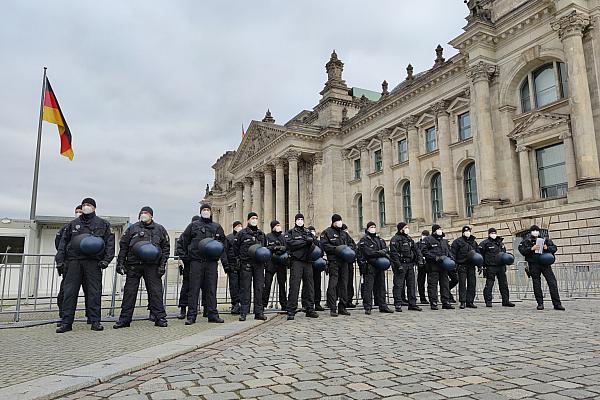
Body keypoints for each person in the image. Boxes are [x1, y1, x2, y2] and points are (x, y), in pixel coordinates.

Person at [55, 198, 115, 333]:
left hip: (93, 263)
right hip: (74, 262)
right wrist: (60, 261)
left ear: (94, 207)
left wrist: (106, 260)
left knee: (94, 293)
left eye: (89, 205)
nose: (86, 207)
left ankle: (95, 321)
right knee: (69, 293)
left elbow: (110, 244)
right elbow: (63, 244)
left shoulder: (103, 224)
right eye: (84, 205)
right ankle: (66, 322)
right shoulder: (73, 224)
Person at [113, 207, 169, 328]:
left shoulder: (160, 229)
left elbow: (165, 248)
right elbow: (124, 246)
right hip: (134, 265)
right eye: (142, 213)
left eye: (146, 213)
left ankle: (160, 318)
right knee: (129, 293)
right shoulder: (132, 228)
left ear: (151, 215)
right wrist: (120, 263)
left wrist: (162, 265)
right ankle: (124, 319)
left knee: (156, 292)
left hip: (152, 266)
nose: (144, 215)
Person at [179, 204, 227, 324]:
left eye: (207, 210)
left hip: (211, 262)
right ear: (200, 212)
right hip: (196, 262)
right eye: (204, 210)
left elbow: (224, 244)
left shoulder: (217, 227)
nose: (206, 211)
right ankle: (191, 316)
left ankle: (212, 314)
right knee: (193, 289)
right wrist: (187, 258)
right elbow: (183, 242)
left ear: (211, 212)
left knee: (211, 289)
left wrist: (221, 257)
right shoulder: (193, 226)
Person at [518, 225, 563, 310]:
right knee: (536, 284)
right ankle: (540, 303)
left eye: (536, 230)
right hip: (533, 264)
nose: (535, 232)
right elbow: (522, 251)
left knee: (552, 282)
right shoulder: (526, 241)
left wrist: (547, 248)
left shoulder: (545, 240)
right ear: (531, 232)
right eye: (533, 231)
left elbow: (554, 248)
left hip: (545, 264)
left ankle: (557, 303)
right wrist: (531, 248)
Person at [55, 205, 87, 326]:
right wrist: (61, 261)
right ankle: (64, 316)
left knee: (90, 292)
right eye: (77, 211)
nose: (79, 213)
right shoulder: (68, 227)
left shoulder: (88, 227)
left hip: (86, 264)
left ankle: (91, 317)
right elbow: (59, 244)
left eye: (80, 211)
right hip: (70, 265)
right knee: (65, 293)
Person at [284, 213, 319, 320]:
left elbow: (313, 242)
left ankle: (309, 309)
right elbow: (290, 244)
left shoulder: (307, 231)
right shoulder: (290, 232)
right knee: (294, 286)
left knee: (309, 286)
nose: (300, 220)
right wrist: (304, 242)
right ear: (295, 221)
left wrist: (306, 242)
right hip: (296, 261)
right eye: (298, 219)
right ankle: (291, 310)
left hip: (308, 261)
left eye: (301, 219)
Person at [233, 212, 268, 321]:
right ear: (248, 220)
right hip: (246, 263)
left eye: (256, 218)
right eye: (253, 218)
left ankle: (259, 312)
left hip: (258, 264)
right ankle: (244, 312)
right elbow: (235, 248)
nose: (254, 220)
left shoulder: (261, 234)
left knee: (259, 288)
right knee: (245, 289)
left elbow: (264, 247)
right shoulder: (242, 234)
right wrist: (241, 258)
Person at [357, 221, 393, 314]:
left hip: (379, 266)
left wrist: (382, 252)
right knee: (368, 288)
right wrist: (380, 253)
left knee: (381, 287)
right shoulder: (364, 240)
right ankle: (368, 307)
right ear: (368, 228)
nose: (373, 228)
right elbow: (368, 253)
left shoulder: (379, 239)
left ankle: (383, 305)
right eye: (371, 227)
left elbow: (386, 249)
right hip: (370, 266)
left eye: (374, 226)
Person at [320, 214, 352, 317]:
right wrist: (336, 249)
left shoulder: (344, 234)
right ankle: (332, 307)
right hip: (334, 261)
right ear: (333, 222)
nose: (339, 222)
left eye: (340, 220)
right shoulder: (327, 232)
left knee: (344, 284)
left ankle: (342, 307)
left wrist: (348, 250)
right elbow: (324, 245)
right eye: (338, 221)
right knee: (333, 285)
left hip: (344, 262)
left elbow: (352, 244)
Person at [389, 222, 422, 312]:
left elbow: (416, 249)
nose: (407, 229)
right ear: (401, 229)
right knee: (399, 285)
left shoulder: (409, 238)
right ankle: (398, 304)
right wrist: (398, 265)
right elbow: (394, 254)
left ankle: (412, 304)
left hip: (410, 264)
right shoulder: (395, 239)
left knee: (411, 285)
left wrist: (419, 259)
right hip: (401, 264)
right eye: (405, 227)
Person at [478, 227, 515, 308]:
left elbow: (504, 253)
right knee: (489, 284)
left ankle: (506, 300)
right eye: (492, 233)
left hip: (501, 266)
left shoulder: (500, 243)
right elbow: (480, 255)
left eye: (494, 233)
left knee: (504, 284)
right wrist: (481, 266)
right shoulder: (484, 243)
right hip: (490, 266)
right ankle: (488, 301)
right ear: (489, 234)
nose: (493, 234)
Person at [421, 224, 454, 310]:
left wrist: (451, 260)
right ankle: (434, 302)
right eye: (438, 229)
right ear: (434, 230)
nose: (440, 230)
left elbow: (449, 252)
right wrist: (435, 258)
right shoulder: (428, 240)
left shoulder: (444, 241)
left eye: (440, 228)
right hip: (433, 266)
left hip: (444, 266)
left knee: (445, 284)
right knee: (433, 285)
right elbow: (424, 252)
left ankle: (445, 301)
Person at [175, 215, 200, 319]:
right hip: (190, 264)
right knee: (187, 287)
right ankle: (183, 309)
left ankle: (206, 309)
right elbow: (179, 247)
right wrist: (186, 258)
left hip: (201, 264)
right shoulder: (187, 234)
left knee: (205, 287)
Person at [450, 226, 479, 309]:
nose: (467, 232)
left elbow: (478, 254)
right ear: (463, 232)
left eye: (469, 231)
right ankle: (462, 302)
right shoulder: (457, 242)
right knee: (462, 284)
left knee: (472, 284)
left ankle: (470, 301)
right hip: (462, 265)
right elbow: (453, 254)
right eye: (466, 231)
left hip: (471, 266)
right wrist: (454, 265)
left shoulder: (473, 242)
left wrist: (480, 265)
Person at [263, 220, 288, 311]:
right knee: (267, 284)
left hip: (281, 264)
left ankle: (284, 304)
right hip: (271, 263)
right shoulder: (268, 236)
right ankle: (263, 304)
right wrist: (274, 248)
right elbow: (265, 248)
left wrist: (283, 249)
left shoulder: (283, 237)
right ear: (273, 227)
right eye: (277, 225)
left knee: (282, 285)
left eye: (279, 225)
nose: (278, 226)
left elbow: (287, 248)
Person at [225, 221, 243, 315]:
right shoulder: (229, 238)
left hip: (242, 264)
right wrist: (226, 265)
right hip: (232, 264)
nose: (239, 227)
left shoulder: (244, 237)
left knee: (243, 285)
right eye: (238, 226)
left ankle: (242, 304)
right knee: (234, 286)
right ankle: (235, 304)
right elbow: (225, 252)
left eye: (241, 225)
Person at [307, 226, 325, 311]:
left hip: (317, 266)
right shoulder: (306, 242)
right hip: (308, 265)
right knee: (308, 286)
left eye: (313, 231)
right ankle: (307, 303)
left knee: (317, 285)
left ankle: (317, 303)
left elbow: (321, 252)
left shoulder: (318, 242)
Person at [342, 224, 357, 308]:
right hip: (342, 263)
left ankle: (349, 300)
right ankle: (343, 300)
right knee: (343, 283)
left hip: (349, 262)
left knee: (350, 282)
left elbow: (354, 246)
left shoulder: (349, 238)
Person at [416, 230, 429, 304]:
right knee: (421, 281)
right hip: (421, 265)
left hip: (429, 264)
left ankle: (432, 297)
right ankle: (422, 297)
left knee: (431, 282)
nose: (424, 236)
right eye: (423, 234)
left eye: (426, 235)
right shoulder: (418, 244)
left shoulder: (429, 243)